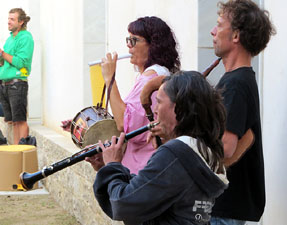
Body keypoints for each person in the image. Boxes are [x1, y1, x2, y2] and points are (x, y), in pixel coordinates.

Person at [87, 71, 228, 224]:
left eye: (159, 102)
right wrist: (107, 168)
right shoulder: (201, 151)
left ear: (178, 108)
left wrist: (113, 166)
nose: (154, 110)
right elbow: (147, 191)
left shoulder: (176, 153)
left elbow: (124, 204)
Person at [209, 1, 276, 224]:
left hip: (225, 209)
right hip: (224, 207)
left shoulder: (236, 85)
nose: (213, 31)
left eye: (219, 25)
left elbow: (225, 149)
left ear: (235, 35)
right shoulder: (237, 80)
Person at [89, 16, 180, 175]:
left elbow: (125, 125)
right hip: (143, 165)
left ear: (153, 44)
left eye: (134, 40)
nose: (128, 46)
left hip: (141, 169)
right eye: (127, 40)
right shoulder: (154, 74)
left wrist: (110, 78)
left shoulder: (152, 77)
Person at [0, 8, 34, 144]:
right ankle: (16, 151)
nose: (8, 22)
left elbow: (21, 62)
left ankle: (23, 152)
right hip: (5, 84)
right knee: (13, 122)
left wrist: (2, 54)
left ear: (21, 22)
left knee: (20, 121)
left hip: (17, 84)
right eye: (8, 18)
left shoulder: (26, 37)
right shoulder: (9, 39)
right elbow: (5, 62)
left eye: (12, 19)